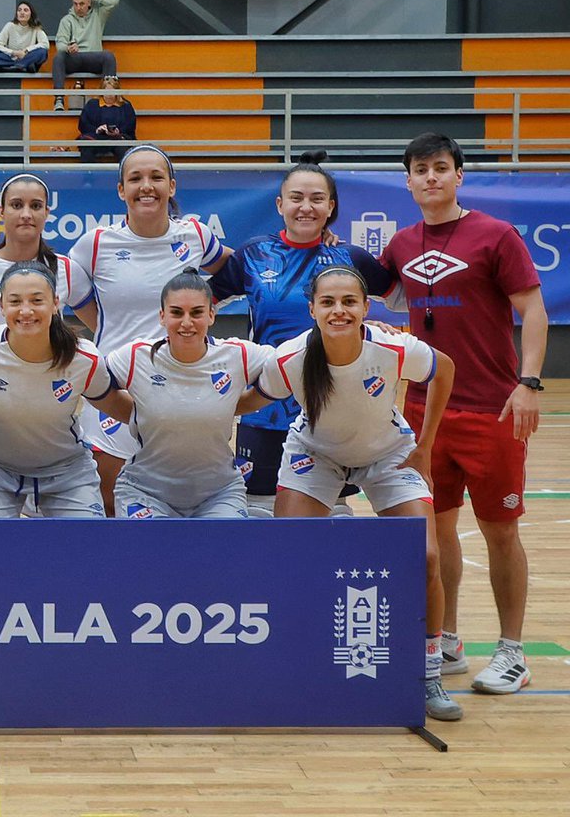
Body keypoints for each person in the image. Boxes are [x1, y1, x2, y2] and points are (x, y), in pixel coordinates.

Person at [249, 265, 459, 721]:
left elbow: (445, 369)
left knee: (425, 557)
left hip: (388, 454)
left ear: (367, 307)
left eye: (349, 302)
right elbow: (251, 399)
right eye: (328, 302)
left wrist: (425, 448)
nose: (339, 310)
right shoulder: (288, 358)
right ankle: (295, 661)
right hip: (315, 455)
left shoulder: (394, 347)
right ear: (312, 310)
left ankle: (428, 672)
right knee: (288, 555)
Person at [380, 132, 547, 695]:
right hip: (424, 411)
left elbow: (534, 309)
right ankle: (446, 636)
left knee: (501, 531)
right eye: (420, 169)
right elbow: (364, 294)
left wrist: (528, 384)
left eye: (441, 167)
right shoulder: (401, 245)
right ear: (407, 181)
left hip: (492, 409)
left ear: (458, 176)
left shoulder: (495, 235)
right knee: (440, 528)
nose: (431, 177)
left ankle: (512, 652)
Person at [209, 150, 398, 517]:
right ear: (280, 204)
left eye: (316, 199)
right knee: (260, 511)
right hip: (265, 408)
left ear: (331, 206)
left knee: (331, 512)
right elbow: (201, 304)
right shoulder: (253, 254)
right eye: (296, 198)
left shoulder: (351, 258)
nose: (305, 207)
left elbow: (400, 297)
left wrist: (378, 330)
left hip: (333, 407)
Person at [68, 145, 230, 515]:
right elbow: (76, 297)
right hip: (116, 385)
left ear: (171, 186)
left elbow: (236, 267)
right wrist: (108, 334)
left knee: (182, 489)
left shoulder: (195, 236)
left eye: (156, 177)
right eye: (135, 178)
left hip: (183, 380)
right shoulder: (95, 244)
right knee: (109, 491)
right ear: (121, 190)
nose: (147, 186)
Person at [0, 261, 132, 518]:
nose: (26, 311)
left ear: (55, 303)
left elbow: (114, 404)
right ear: (1, 306)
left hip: (67, 471)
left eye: (37, 300)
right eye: (15, 302)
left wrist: (167, 419)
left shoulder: (83, 357)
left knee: (86, 547)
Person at [107, 270, 273, 519]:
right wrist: (135, 412)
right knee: (155, 557)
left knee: (222, 556)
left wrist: (235, 405)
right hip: (145, 492)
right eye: (176, 312)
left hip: (219, 493)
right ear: (162, 317)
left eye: (196, 312)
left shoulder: (239, 355)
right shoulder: (133, 357)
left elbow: (288, 368)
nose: (187, 322)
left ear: (211, 315)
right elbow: (91, 386)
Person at [0, 173, 91, 446]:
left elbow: (103, 324)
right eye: (16, 205)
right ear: (0, 211)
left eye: (35, 206)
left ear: (47, 212)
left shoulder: (67, 270)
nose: (26, 214)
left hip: (51, 398)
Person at [52, 0, 119, 111]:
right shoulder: (67, 20)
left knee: (109, 56)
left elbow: (114, 1)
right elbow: (60, 43)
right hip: (74, 57)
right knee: (58, 57)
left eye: (82, 3)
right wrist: (68, 48)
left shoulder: (98, 15)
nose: (78, 7)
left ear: (89, 3)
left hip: (94, 57)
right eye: (75, 3)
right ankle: (59, 99)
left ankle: (108, 99)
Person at [77, 74, 136, 162]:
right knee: (87, 149)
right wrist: (97, 129)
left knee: (123, 149)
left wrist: (118, 131)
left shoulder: (126, 106)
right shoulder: (92, 104)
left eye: (112, 90)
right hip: (96, 137)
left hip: (118, 138)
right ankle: (91, 175)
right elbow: (83, 124)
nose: (109, 93)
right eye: (106, 90)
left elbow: (130, 125)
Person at [0, 0, 49, 73]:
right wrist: (13, 52)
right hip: (11, 57)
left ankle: (11, 67)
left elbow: (45, 44)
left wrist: (26, 50)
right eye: (19, 10)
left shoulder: (35, 28)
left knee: (43, 52)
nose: (22, 13)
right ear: (16, 14)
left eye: (25, 10)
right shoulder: (10, 25)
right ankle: (20, 66)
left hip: (27, 57)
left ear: (31, 14)